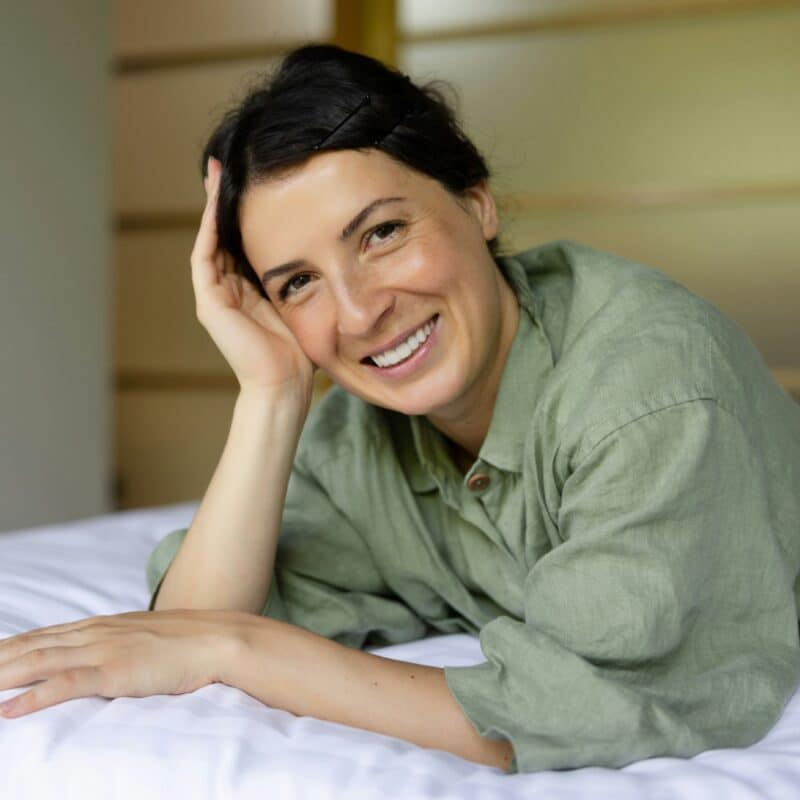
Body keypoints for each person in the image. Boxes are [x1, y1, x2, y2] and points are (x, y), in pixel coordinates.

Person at [1, 44, 799, 775]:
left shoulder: (649, 391)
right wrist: (273, 393)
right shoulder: (360, 433)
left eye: (381, 232)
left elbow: (594, 704)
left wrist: (240, 650)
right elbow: (183, 636)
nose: (357, 314)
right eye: (298, 283)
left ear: (477, 205)